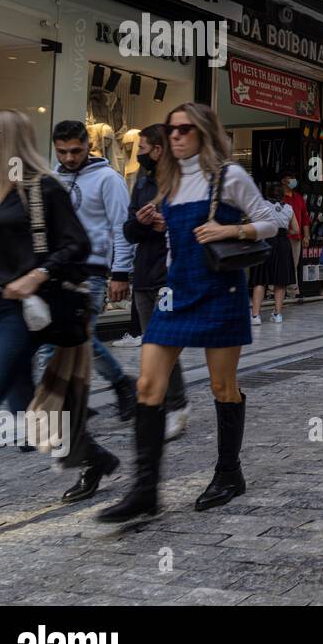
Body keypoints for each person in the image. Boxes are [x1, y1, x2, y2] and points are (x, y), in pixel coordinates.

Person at [98, 103, 277, 523]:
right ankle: (144, 492)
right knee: (147, 385)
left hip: (220, 289)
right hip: (175, 291)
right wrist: (158, 224)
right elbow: (176, 239)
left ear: (203, 133)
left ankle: (229, 474)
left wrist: (230, 229)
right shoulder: (169, 179)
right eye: (171, 130)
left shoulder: (229, 176)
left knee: (222, 385)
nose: (175, 137)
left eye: (183, 130)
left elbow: (270, 222)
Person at [0, 110, 113, 504]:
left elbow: (77, 244)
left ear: (9, 139)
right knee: (26, 409)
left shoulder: (41, 187)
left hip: (22, 311)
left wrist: (37, 275)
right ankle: (92, 457)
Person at [42, 120, 136, 421]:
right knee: (63, 339)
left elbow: (122, 227)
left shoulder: (108, 179)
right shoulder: (51, 179)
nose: (69, 158)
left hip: (91, 271)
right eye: (62, 152)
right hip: (55, 270)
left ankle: (54, 409)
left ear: (87, 146)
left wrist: (121, 272)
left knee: (77, 337)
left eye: (75, 151)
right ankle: (70, 402)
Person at [123, 124, 190, 442]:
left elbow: (197, 230)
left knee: (162, 344)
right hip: (144, 274)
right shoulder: (142, 181)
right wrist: (141, 222)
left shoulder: (182, 183)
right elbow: (128, 230)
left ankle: (174, 406)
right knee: (152, 344)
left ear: (158, 150)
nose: (139, 152)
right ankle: (158, 403)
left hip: (169, 276)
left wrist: (168, 225)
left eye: (143, 147)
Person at [249, 182, 298, 325]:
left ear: (268, 193)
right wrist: (284, 230)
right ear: (282, 196)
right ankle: (277, 314)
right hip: (282, 243)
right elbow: (296, 229)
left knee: (260, 279)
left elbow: (253, 223)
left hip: (264, 242)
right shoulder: (289, 208)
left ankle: (255, 316)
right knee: (280, 280)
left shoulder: (262, 205)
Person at [281, 169, 310, 295]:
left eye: (293, 178)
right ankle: (274, 288)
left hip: (296, 236)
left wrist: (306, 236)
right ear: (283, 181)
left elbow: (305, 219)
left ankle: (292, 289)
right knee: (280, 262)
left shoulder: (298, 198)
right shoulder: (279, 197)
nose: (293, 180)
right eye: (290, 177)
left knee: (293, 263)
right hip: (281, 236)